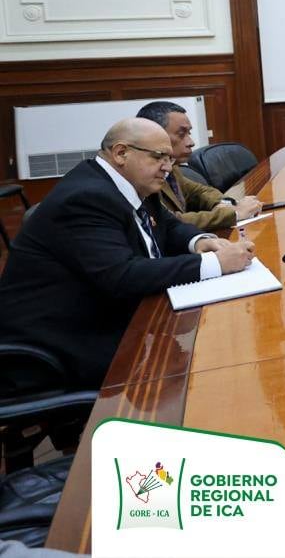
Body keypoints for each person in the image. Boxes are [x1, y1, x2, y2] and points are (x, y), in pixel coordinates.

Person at [0, 118, 255, 388]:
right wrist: (215, 263)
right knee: (207, 371)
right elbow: (122, 275)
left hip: (113, 316)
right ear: (121, 153)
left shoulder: (135, 183)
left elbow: (168, 225)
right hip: (61, 345)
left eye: (169, 158)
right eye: (159, 157)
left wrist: (199, 241)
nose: (168, 167)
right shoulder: (85, 198)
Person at [137, 100, 261, 231]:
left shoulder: (173, 168)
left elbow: (201, 192)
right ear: (155, 134)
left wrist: (227, 204)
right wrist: (234, 213)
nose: (191, 142)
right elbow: (170, 221)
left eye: (189, 133)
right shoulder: (142, 176)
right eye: (181, 134)